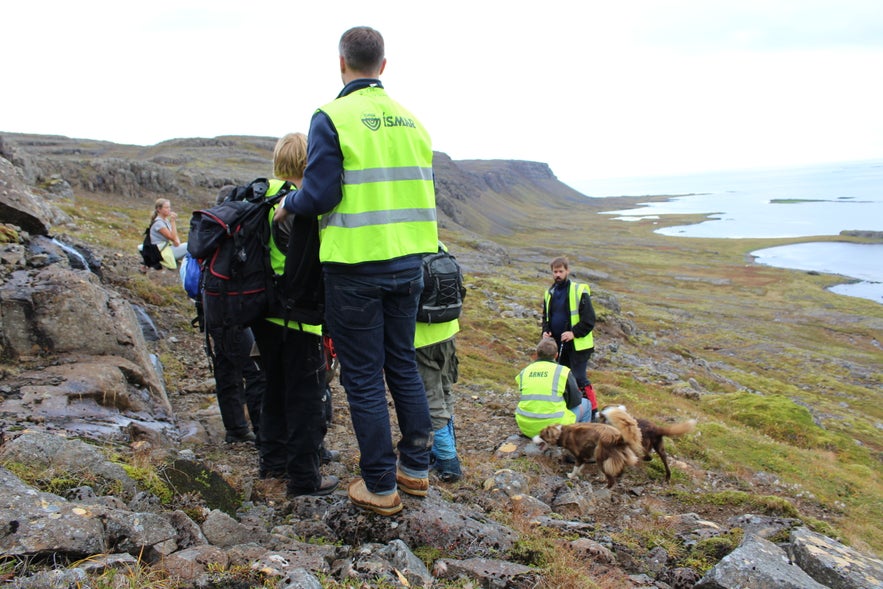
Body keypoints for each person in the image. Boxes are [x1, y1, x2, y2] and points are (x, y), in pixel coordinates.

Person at [275, 26, 437, 516]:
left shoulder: (332, 116)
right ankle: (415, 470)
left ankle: (380, 486)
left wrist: (289, 206)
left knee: (364, 379)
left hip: (354, 266)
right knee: (402, 364)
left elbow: (321, 194)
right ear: (383, 66)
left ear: (341, 63)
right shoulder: (413, 122)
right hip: (409, 261)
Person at [252, 132, 338, 497]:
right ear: (309, 160)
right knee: (306, 396)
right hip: (300, 317)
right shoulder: (303, 202)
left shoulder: (262, 194)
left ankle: (272, 461)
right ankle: (304, 477)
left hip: (263, 313)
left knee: (273, 388)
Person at [206, 186, 266, 446]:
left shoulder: (209, 231)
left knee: (226, 368)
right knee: (255, 372)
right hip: (235, 312)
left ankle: (236, 428)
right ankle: (263, 435)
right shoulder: (235, 233)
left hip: (211, 309)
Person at [415, 242, 464, 483]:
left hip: (420, 337)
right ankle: (445, 451)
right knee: (444, 393)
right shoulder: (438, 243)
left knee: (431, 399)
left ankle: (448, 462)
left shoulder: (404, 246)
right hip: (448, 331)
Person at [541, 256, 599, 421]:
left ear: (567, 271)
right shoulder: (549, 293)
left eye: (561, 271)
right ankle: (571, 406)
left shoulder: (579, 291)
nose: (558, 274)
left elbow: (589, 320)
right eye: (555, 271)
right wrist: (546, 332)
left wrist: (574, 333)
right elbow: (546, 317)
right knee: (563, 377)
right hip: (559, 345)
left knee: (579, 377)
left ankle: (593, 411)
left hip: (579, 345)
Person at [515, 338, 593, 438]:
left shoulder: (524, 371)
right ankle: (581, 440)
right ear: (556, 355)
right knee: (586, 404)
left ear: (537, 354)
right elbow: (575, 401)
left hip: (526, 427)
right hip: (554, 430)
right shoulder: (562, 371)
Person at [149, 198, 188, 269]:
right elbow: (172, 237)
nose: (169, 209)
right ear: (159, 209)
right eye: (166, 207)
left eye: (169, 207)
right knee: (189, 247)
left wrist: (176, 241)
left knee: (188, 246)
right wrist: (173, 221)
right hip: (161, 251)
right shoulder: (159, 223)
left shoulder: (165, 220)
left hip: (166, 247)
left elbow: (175, 240)